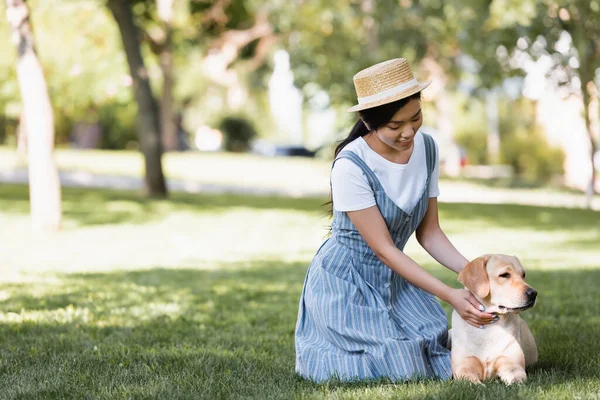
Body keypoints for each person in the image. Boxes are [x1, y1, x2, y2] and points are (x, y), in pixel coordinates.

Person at [294, 58, 498, 382]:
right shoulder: (351, 166)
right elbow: (385, 250)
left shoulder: (427, 149)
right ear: (368, 121)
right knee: (403, 366)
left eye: (415, 118)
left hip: (395, 278)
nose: (408, 132)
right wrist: (449, 294)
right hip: (347, 284)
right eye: (394, 125)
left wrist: (474, 275)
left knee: (432, 345)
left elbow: (429, 233)